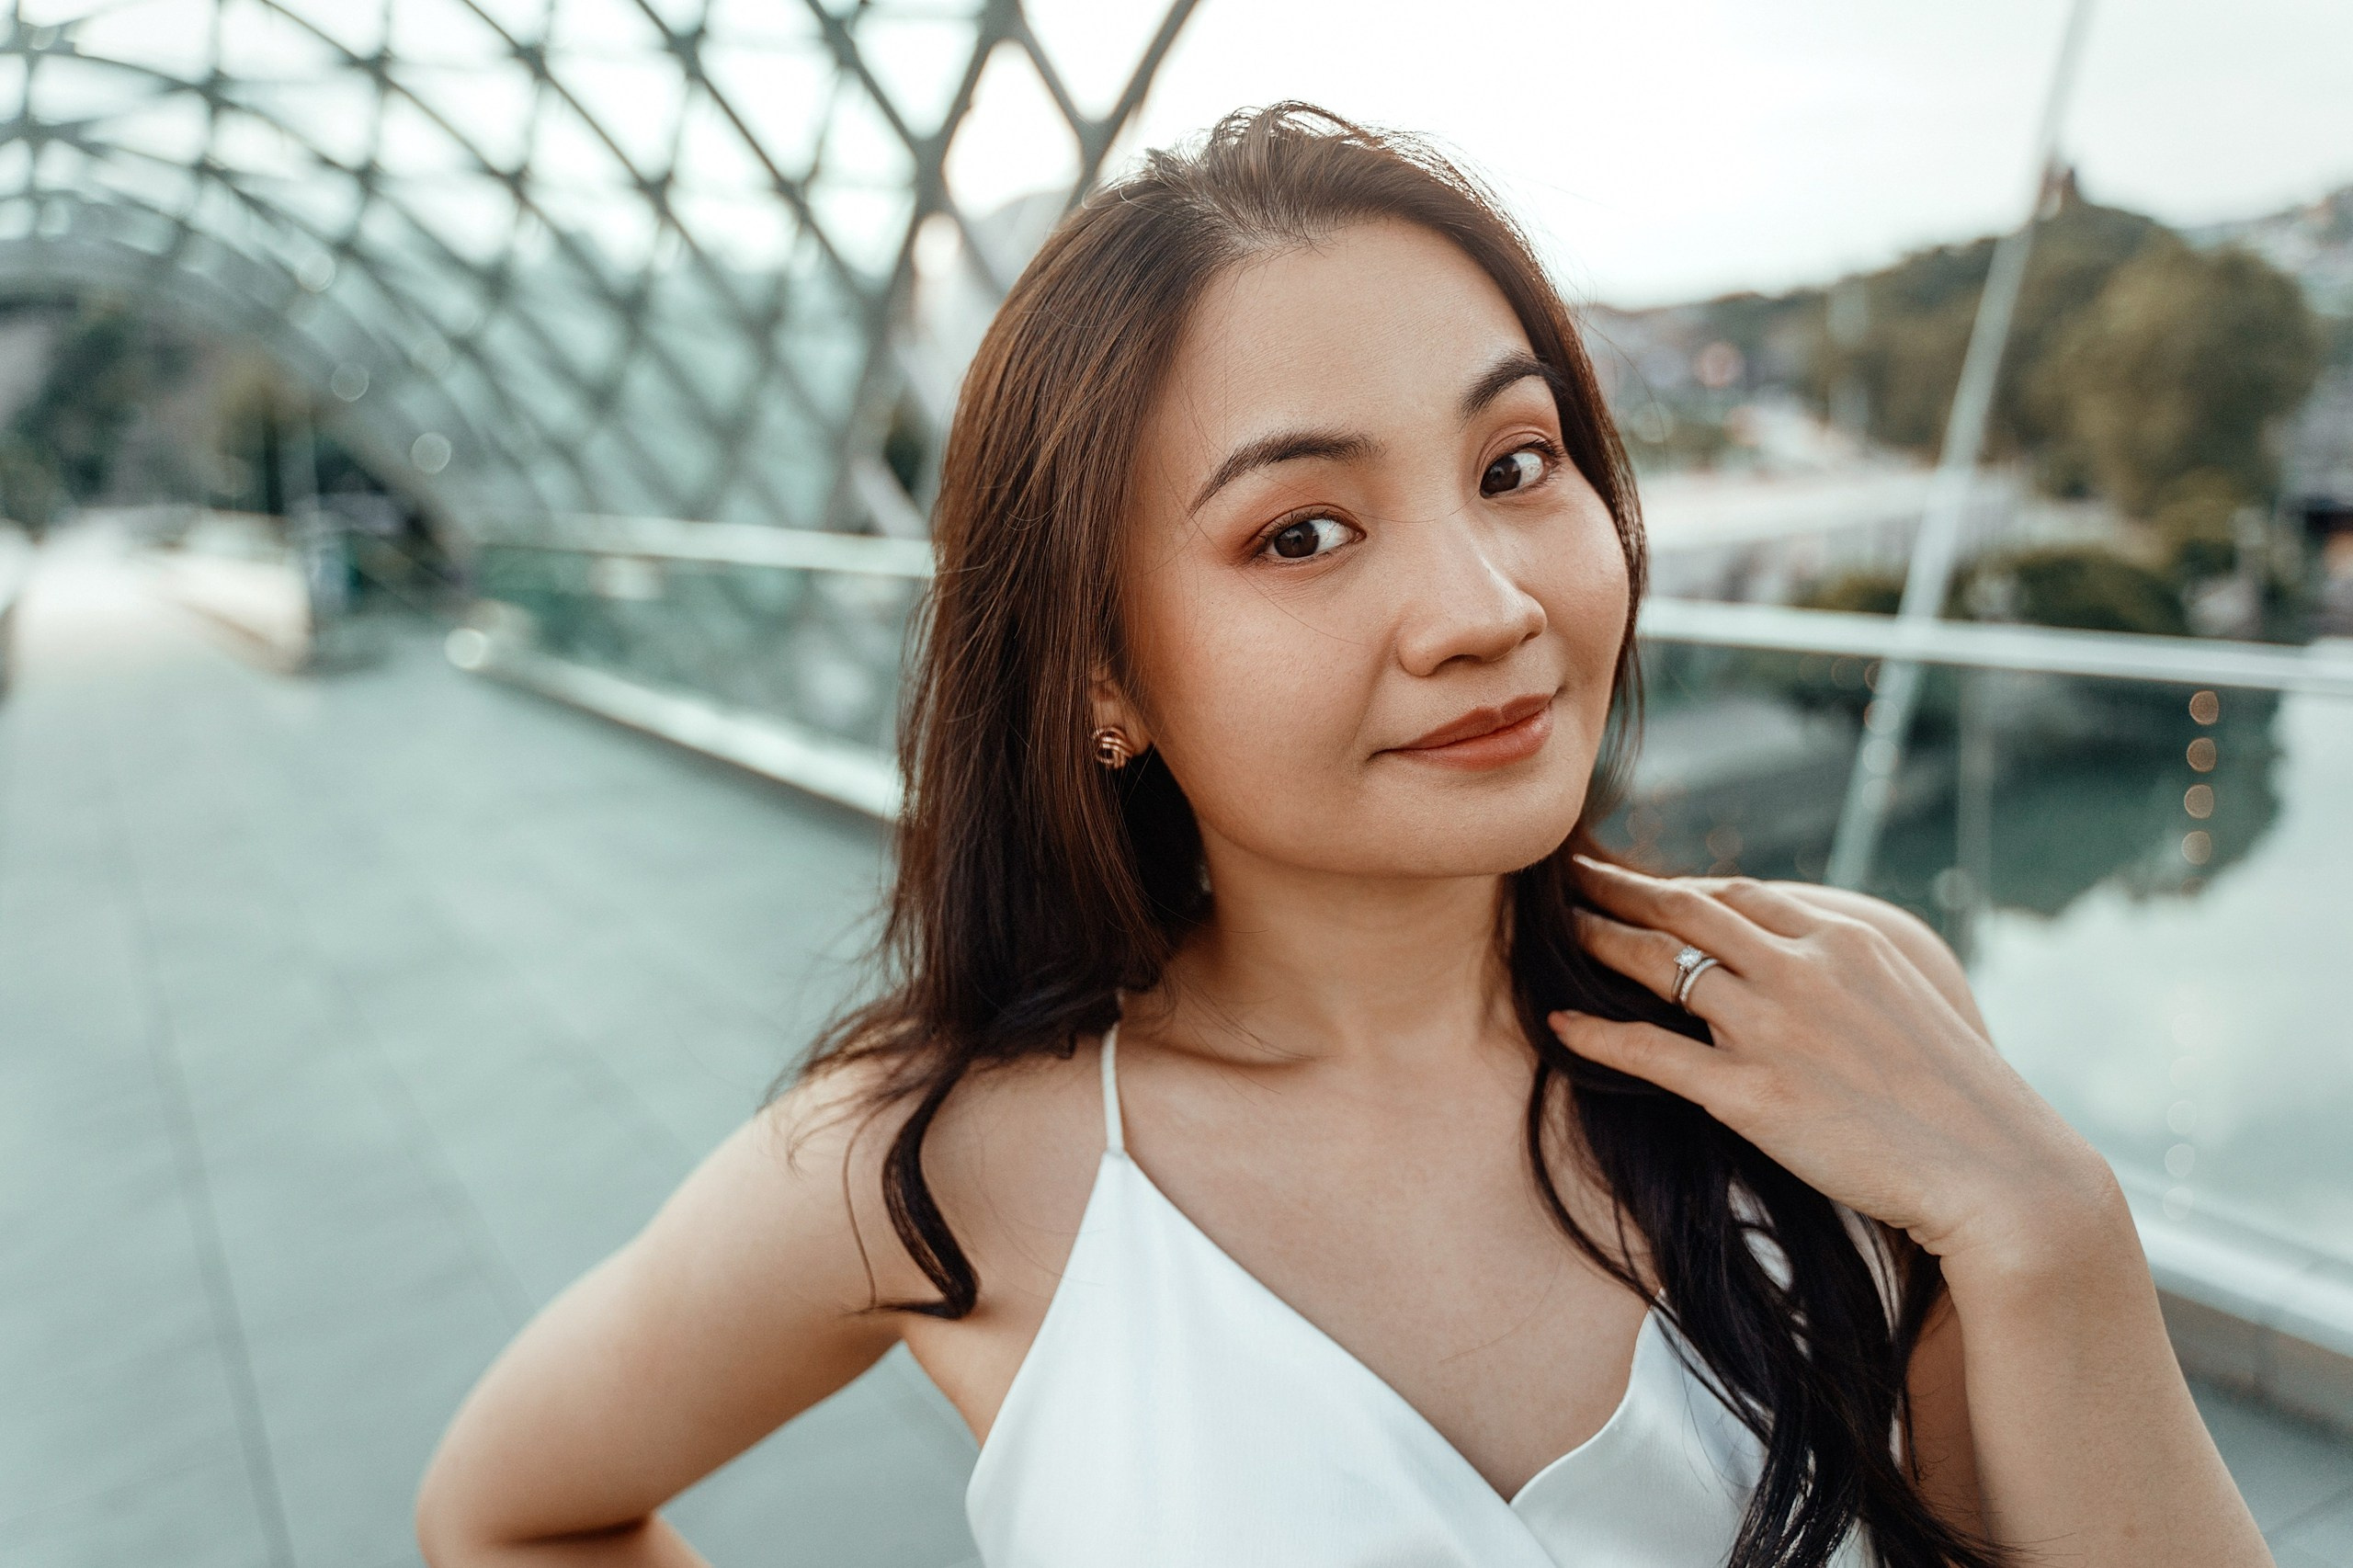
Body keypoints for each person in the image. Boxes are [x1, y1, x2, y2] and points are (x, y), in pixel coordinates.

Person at [415, 104, 2272, 1568]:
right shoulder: (935, 1160)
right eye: (1299, 531)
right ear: (1094, 677)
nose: (1482, 606)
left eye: (1513, 465)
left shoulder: (1823, 1019)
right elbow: (508, 1506)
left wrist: (2045, 1228)